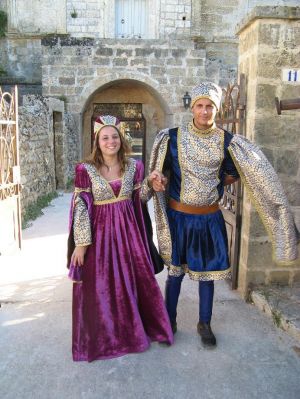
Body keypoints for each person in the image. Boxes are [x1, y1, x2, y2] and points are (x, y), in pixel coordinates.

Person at [143, 81, 299, 347]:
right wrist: (156, 180)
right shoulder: (171, 138)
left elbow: (233, 173)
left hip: (209, 218)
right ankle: (169, 321)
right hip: (179, 218)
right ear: (193, 108)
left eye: (210, 107)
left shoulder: (228, 142)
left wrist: (211, 187)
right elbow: (160, 173)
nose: (205, 112)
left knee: (208, 274)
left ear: (216, 109)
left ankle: (205, 323)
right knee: (175, 273)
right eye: (200, 106)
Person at [67, 115, 173, 362]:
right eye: (105, 137)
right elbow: (81, 206)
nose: (110, 141)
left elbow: (140, 197)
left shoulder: (134, 166)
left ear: (121, 139)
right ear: (97, 141)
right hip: (99, 237)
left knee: (133, 281)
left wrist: (152, 183)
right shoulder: (85, 170)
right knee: (100, 286)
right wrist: (81, 245)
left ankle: (135, 331)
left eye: (114, 136)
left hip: (128, 234)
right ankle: (106, 337)